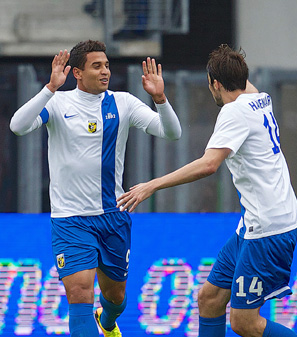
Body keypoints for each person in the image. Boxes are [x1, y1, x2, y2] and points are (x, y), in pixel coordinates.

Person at [116, 44, 297, 337]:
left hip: (269, 228)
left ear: (214, 83)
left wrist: (152, 185)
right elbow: (241, 79)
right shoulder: (259, 99)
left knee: (244, 323)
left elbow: (208, 165)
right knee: (210, 299)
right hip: (257, 223)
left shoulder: (233, 113)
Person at [9, 40, 182, 337]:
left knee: (115, 298)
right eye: (97, 66)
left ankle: (108, 320)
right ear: (77, 72)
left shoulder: (123, 103)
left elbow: (171, 132)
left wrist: (161, 98)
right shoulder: (58, 103)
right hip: (70, 220)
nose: (105, 72)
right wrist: (49, 88)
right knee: (79, 295)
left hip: (113, 215)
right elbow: (18, 125)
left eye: (107, 65)